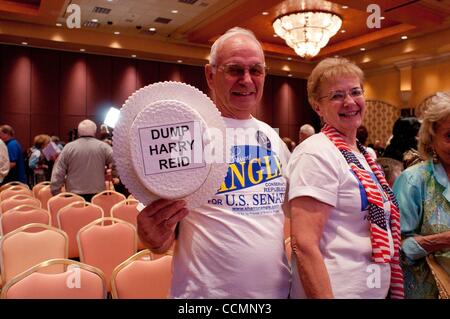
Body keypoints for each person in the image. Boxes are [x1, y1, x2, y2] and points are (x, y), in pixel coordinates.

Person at [137, 27, 291, 298]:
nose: (247, 80)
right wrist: (153, 235)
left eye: (256, 70)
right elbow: (158, 240)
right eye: (235, 70)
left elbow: (292, 212)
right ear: (210, 74)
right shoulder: (185, 136)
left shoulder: (271, 137)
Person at [286, 57, 403, 298]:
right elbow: (304, 245)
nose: (349, 102)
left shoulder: (363, 154)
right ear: (317, 106)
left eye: (355, 92)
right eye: (337, 95)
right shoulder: (316, 153)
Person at [393, 92, 450, 299]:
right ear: (431, 137)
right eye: (449, 136)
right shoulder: (414, 181)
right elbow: (397, 247)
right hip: (427, 290)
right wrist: (442, 240)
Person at [50, 119, 116, 202]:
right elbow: (117, 161)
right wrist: (114, 175)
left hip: (73, 195)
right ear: (94, 132)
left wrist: (55, 190)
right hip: (97, 195)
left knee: (75, 215)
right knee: (97, 214)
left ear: (78, 132)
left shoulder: (68, 147)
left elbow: (58, 170)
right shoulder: (104, 147)